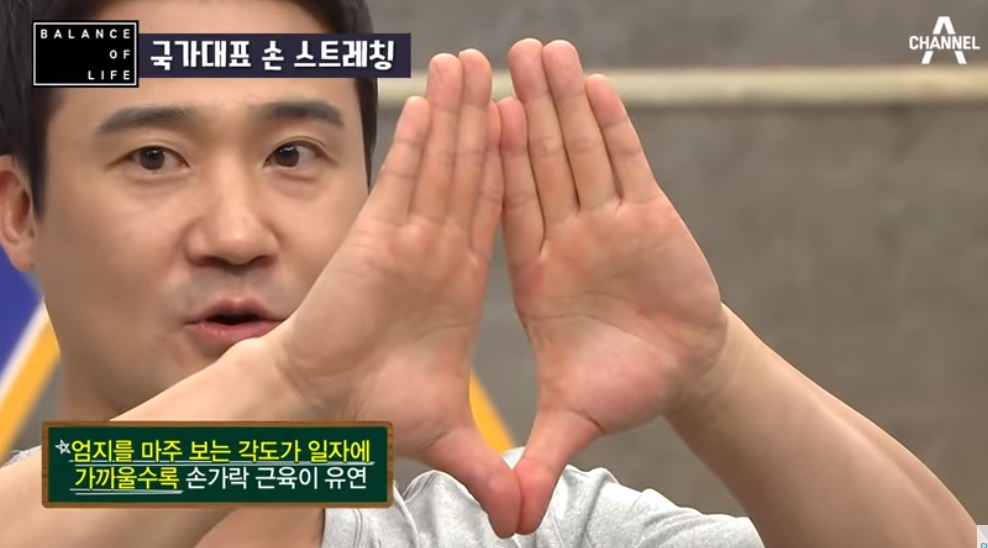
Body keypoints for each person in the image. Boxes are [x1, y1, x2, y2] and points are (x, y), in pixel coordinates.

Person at [0, 0, 973, 546]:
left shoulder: (525, 531)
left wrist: (716, 371)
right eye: (154, 157)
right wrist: (287, 387)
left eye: (294, 153)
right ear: (20, 211)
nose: (236, 232)